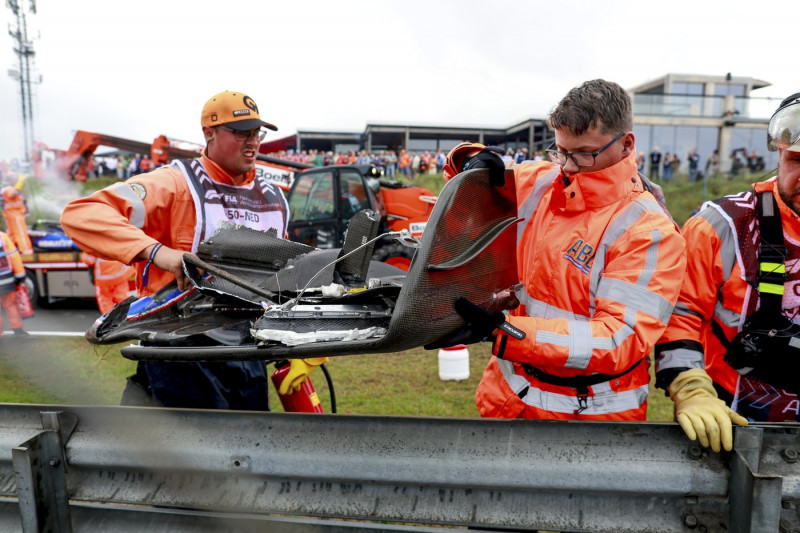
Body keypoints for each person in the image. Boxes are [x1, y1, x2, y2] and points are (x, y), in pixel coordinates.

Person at [60, 90, 327, 410]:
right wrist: (157, 252)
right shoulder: (176, 182)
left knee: (250, 456)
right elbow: (81, 214)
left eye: (257, 132)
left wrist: (306, 345)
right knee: (193, 460)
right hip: (180, 355)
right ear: (208, 133)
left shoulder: (272, 196)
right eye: (241, 132)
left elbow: (283, 279)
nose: (253, 141)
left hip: (247, 354)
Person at [439, 79, 686, 421]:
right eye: (560, 151)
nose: (567, 165)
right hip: (513, 399)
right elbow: (466, 181)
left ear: (627, 144)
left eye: (584, 153)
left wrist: (507, 332)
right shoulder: (544, 181)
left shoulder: (649, 232)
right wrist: (470, 161)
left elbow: (617, 338)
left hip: (592, 417)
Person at [656, 93, 800, 452]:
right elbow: (679, 311)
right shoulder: (723, 226)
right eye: (797, 161)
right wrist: (690, 388)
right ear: (778, 154)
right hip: (728, 423)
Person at [0, 230, 28, 339]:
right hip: (7, 278)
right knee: (11, 305)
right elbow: (14, 257)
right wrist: (20, 275)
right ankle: (17, 329)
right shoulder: (2, 236)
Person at [1, 174, 33, 255]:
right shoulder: (8, 189)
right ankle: (26, 250)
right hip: (15, 215)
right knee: (21, 233)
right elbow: (13, 193)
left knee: (12, 234)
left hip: (12, 214)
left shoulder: (6, 189)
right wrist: (20, 182)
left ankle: (10, 251)